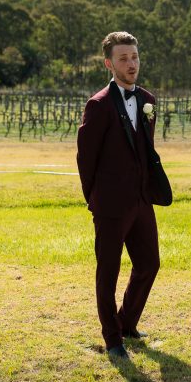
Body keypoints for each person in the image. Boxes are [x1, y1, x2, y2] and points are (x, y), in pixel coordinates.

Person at [76, 31, 160, 360]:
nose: (131, 64)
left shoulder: (148, 100)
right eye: (123, 59)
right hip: (109, 204)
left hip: (141, 200)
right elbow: (86, 158)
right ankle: (112, 338)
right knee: (108, 272)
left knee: (149, 264)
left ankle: (126, 323)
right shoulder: (97, 105)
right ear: (109, 64)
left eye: (134, 57)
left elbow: (144, 149)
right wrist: (95, 199)